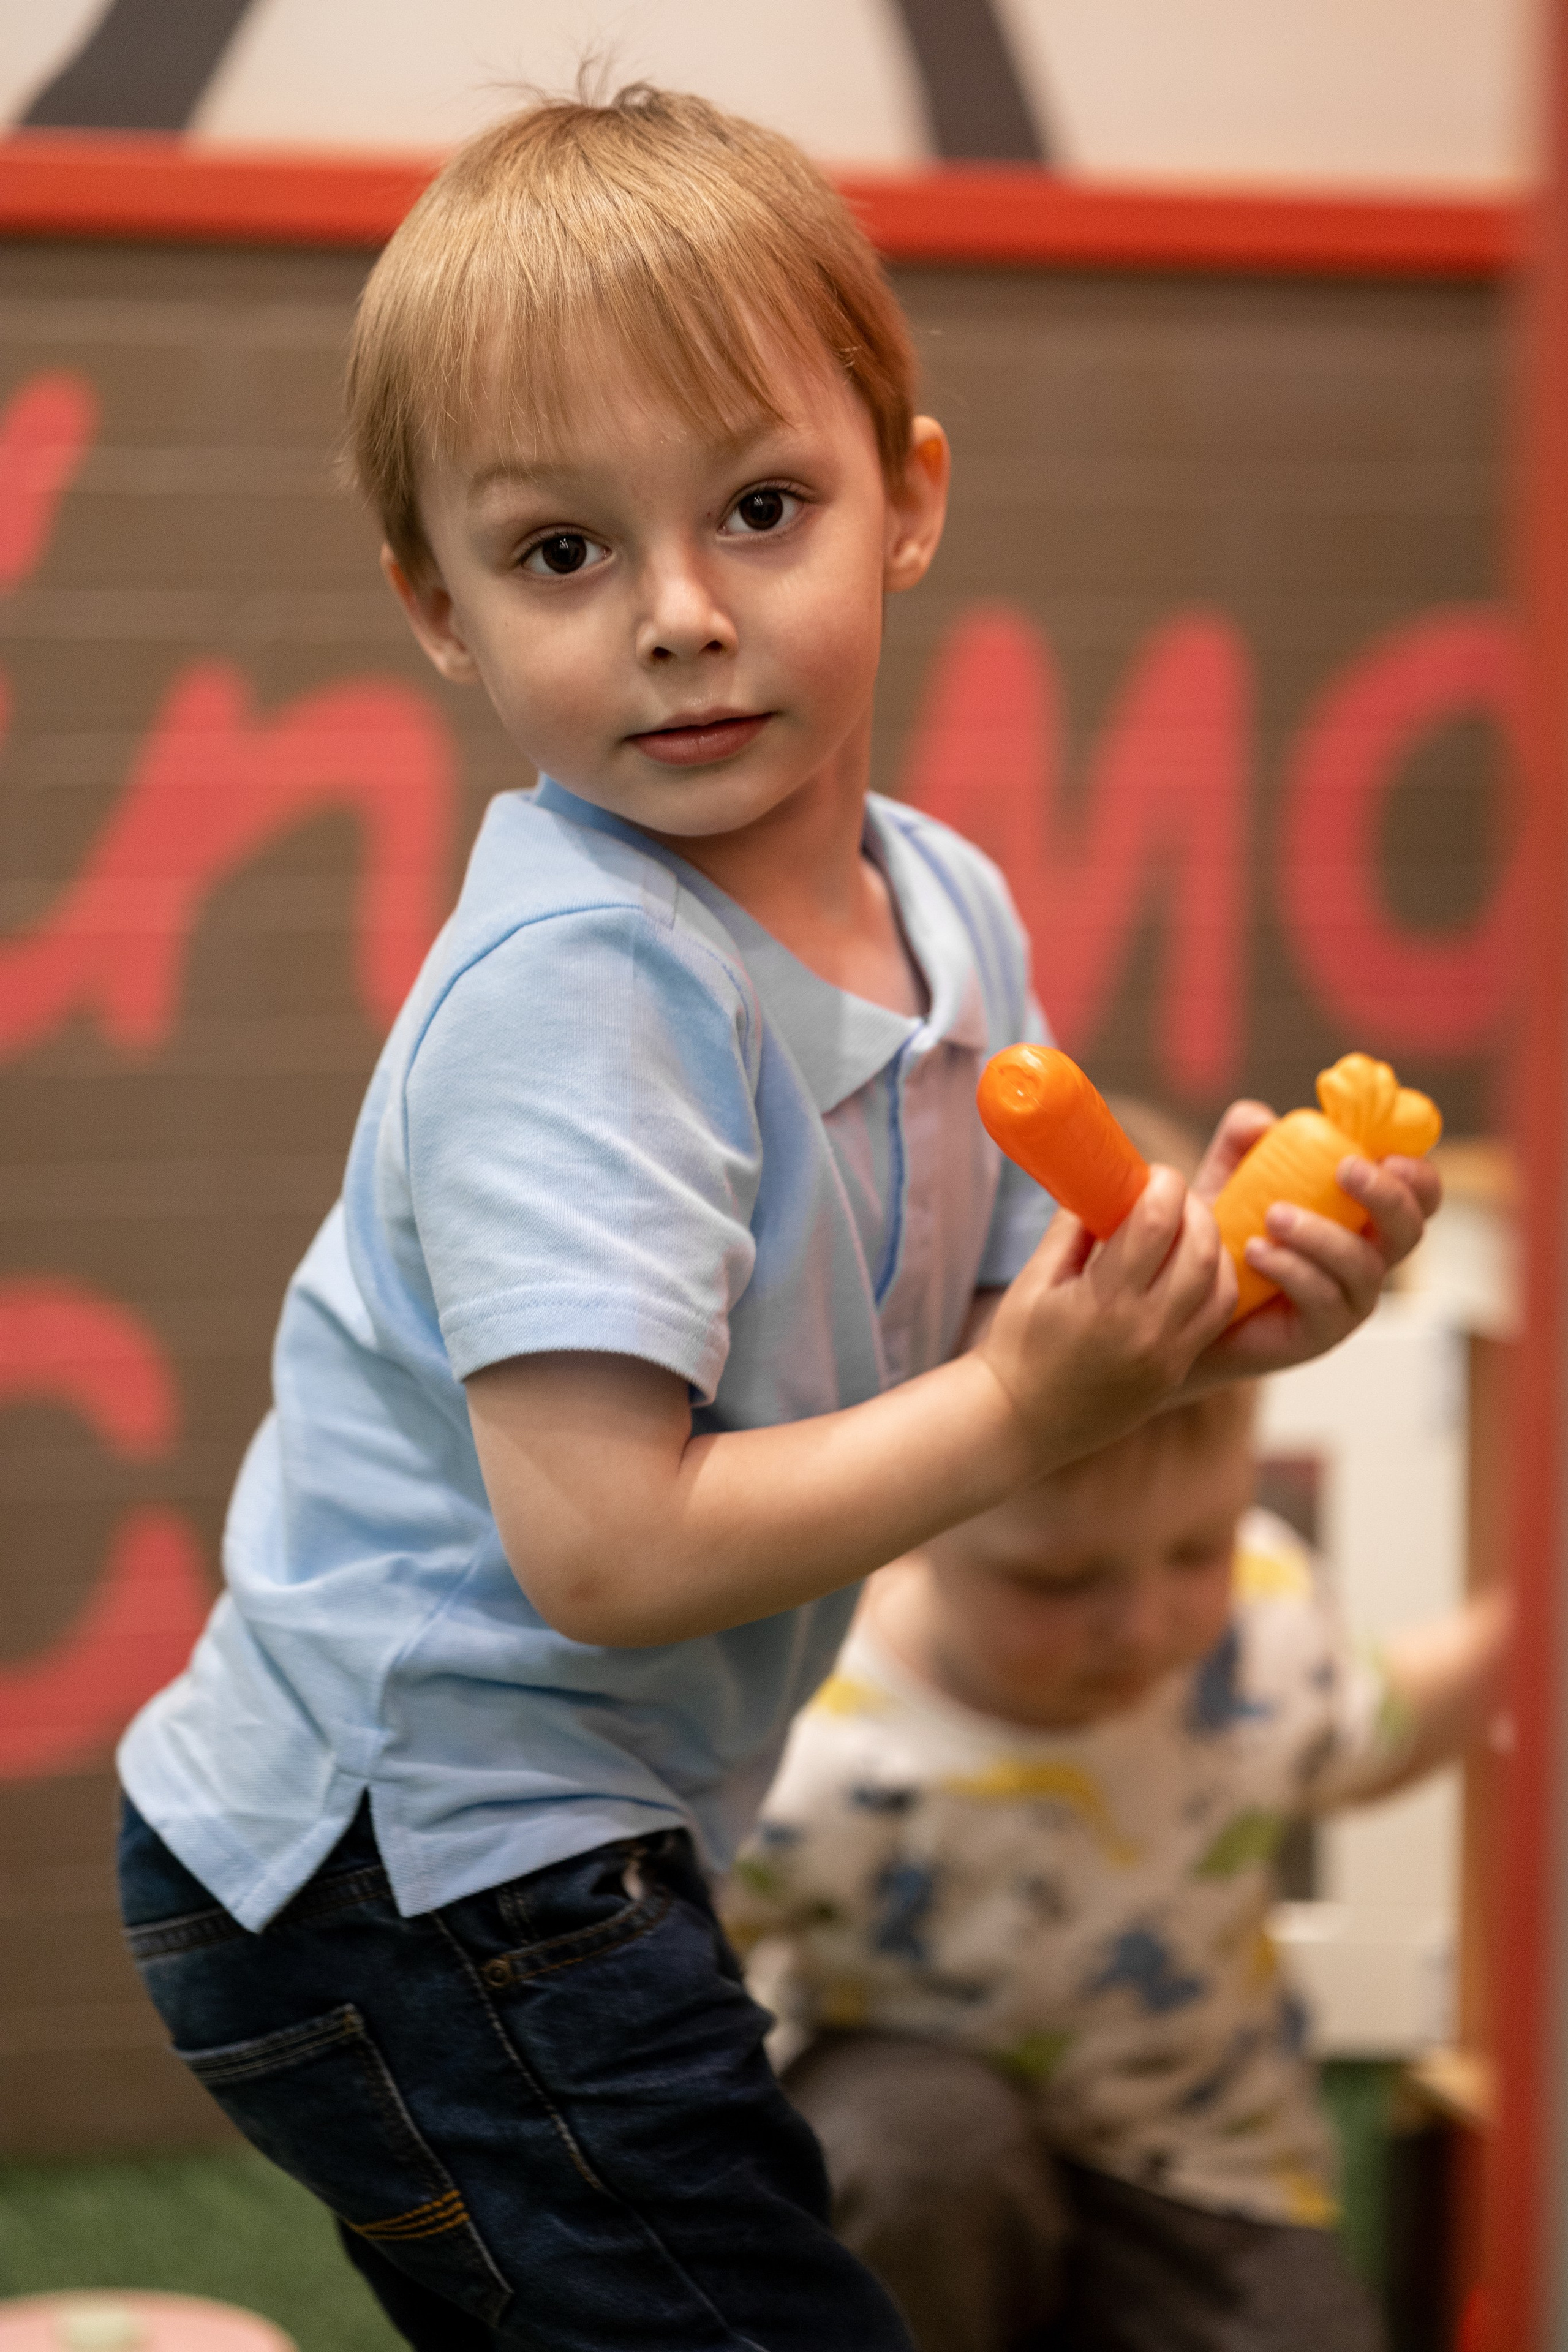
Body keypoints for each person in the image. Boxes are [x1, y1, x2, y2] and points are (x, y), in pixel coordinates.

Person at [113, 88, 1438, 2352]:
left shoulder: (949, 906)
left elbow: (1032, 1316)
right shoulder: (580, 996)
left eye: (760, 506)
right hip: (406, 1857)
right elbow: (610, 1552)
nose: (684, 619)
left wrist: (1224, 1306)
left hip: (565, 1840)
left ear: (905, 503)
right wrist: (1035, 1407)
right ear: (437, 605)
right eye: (563, 555)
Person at [724, 1373, 1506, 2352]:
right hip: (926, 2133)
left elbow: (1377, 1726)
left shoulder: (1261, 1624)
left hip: (1204, 2148)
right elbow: (689, 1984)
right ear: (910, 1523)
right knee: (914, 2149)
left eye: (1197, 1550)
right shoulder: (821, 1737)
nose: (1142, 1624)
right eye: (1057, 1580)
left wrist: (1520, 1628)